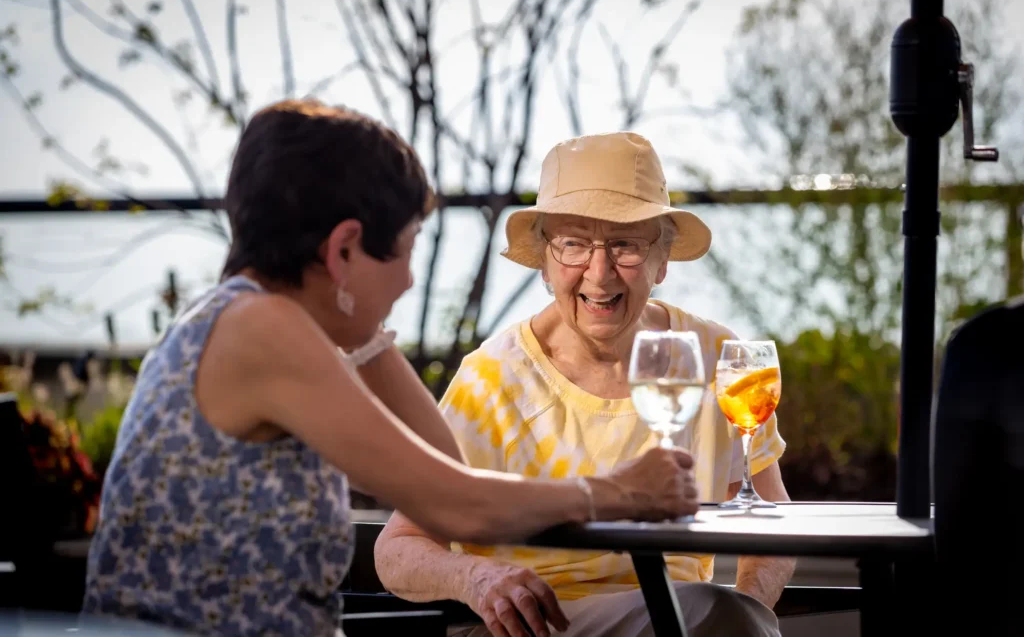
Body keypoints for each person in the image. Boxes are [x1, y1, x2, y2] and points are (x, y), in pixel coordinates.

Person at [80, 103, 701, 637]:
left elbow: (445, 466)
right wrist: (619, 492)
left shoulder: (259, 323)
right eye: (405, 249)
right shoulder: (260, 331)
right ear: (344, 248)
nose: (407, 279)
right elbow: (458, 506)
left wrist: (365, 331)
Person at [374, 132, 797, 637]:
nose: (599, 274)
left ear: (662, 261)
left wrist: (746, 609)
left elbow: (770, 523)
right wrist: (476, 578)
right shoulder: (495, 378)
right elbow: (397, 547)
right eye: (574, 244)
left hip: (678, 619)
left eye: (625, 245)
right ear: (546, 264)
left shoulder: (714, 356)